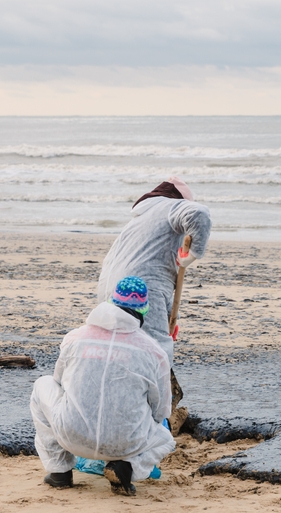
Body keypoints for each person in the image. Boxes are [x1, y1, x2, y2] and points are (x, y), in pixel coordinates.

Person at [30, 276, 173, 496]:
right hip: (125, 445)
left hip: (71, 436)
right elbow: (161, 410)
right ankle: (126, 467)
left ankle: (59, 471)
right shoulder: (154, 352)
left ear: (112, 303)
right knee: (165, 439)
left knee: (43, 384)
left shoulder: (75, 338)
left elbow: (58, 383)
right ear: (144, 311)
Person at [96, 177, 211, 366]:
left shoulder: (141, 218)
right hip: (141, 287)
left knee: (120, 348)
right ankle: (157, 392)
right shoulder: (171, 206)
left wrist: (169, 319)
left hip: (110, 289)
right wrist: (192, 255)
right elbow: (199, 213)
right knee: (155, 350)